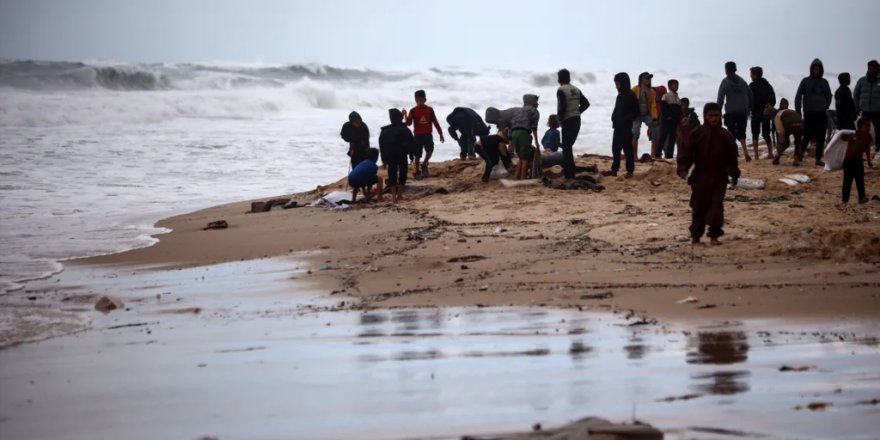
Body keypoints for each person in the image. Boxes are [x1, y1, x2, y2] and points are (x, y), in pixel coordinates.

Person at [677, 103, 741, 246]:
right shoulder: (697, 133)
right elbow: (686, 151)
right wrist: (683, 168)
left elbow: (732, 158)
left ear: (721, 116)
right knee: (698, 208)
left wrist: (734, 173)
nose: (714, 119)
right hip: (700, 177)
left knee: (716, 208)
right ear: (705, 116)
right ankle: (696, 237)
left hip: (720, 178)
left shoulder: (726, 135)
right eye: (710, 116)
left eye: (717, 115)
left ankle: (714, 236)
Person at [794, 59, 833, 166]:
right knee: (807, 135)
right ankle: (800, 154)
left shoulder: (824, 82)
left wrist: (825, 105)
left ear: (821, 70)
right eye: (814, 69)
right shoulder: (805, 81)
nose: (816, 71)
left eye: (818, 69)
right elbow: (798, 96)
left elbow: (829, 96)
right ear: (811, 70)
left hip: (821, 113)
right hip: (809, 113)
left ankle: (818, 159)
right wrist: (798, 112)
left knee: (821, 136)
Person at [556, 69, 591, 178]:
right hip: (577, 120)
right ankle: (570, 169)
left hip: (568, 120)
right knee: (568, 146)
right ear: (569, 78)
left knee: (566, 147)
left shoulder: (561, 90)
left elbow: (562, 106)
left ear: (559, 79)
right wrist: (577, 112)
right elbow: (586, 104)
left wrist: (560, 119)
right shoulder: (576, 89)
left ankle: (569, 173)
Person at [604, 72, 639, 177]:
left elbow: (635, 112)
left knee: (628, 150)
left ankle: (630, 171)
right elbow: (617, 109)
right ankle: (614, 170)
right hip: (617, 127)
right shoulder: (620, 96)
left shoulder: (631, 95)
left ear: (623, 83)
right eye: (616, 84)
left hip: (626, 128)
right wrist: (613, 118)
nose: (616, 86)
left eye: (618, 84)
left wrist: (625, 120)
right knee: (615, 149)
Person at [717, 61, 753, 162]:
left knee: (731, 133)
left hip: (731, 111)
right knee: (742, 131)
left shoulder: (725, 82)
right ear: (735, 69)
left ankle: (734, 152)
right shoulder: (742, 81)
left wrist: (718, 112)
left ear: (726, 70)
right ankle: (743, 152)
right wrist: (750, 108)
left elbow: (720, 98)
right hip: (743, 111)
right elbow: (750, 94)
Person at [404, 90, 445, 179]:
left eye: (421, 100)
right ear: (415, 100)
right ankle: (417, 171)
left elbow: (435, 121)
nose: (419, 102)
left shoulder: (430, 109)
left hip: (428, 134)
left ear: (425, 100)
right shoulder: (413, 110)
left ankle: (424, 164)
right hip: (417, 135)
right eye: (417, 100)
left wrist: (440, 133)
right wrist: (405, 115)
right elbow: (408, 123)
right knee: (417, 155)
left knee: (430, 151)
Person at [379, 108, 415, 203]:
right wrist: (411, 155)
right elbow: (410, 144)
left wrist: (384, 160)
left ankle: (394, 197)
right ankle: (399, 195)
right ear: (400, 118)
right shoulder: (405, 129)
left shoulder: (384, 131)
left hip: (390, 155)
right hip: (401, 154)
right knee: (403, 173)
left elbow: (382, 146)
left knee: (392, 174)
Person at [510, 94, 541, 180]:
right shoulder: (534, 111)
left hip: (514, 133)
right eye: (536, 102)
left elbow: (511, 123)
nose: (537, 104)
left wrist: (510, 140)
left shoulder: (518, 110)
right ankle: (523, 178)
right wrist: (537, 142)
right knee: (525, 158)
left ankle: (516, 177)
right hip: (524, 133)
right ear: (532, 102)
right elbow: (534, 127)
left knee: (521, 157)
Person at [749, 66, 776, 160]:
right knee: (766, 133)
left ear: (755, 75)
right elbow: (773, 100)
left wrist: (750, 108)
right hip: (766, 113)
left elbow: (749, 99)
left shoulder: (752, 86)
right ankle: (770, 154)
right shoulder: (768, 85)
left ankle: (756, 156)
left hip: (756, 112)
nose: (750, 76)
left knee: (755, 133)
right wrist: (768, 106)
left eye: (751, 74)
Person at [853, 60, 880, 150]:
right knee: (863, 132)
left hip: (878, 112)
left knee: (879, 131)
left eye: (872, 68)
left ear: (877, 69)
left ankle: (878, 149)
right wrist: (857, 108)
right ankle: (862, 149)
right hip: (865, 111)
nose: (870, 70)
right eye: (869, 68)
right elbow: (856, 95)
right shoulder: (861, 81)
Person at [631, 72, 658, 159]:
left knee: (655, 129)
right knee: (635, 132)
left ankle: (653, 154)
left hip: (646, 114)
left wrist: (654, 118)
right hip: (636, 115)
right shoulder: (635, 89)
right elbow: (629, 102)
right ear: (641, 79)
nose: (648, 80)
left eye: (649, 78)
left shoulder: (651, 91)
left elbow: (653, 105)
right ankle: (634, 155)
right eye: (646, 78)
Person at [657, 79, 682, 159]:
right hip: (666, 120)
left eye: (677, 85)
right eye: (674, 85)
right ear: (669, 86)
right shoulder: (666, 96)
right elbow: (663, 108)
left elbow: (679, 111)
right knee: (663, 136)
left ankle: (669, 156)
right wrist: (667, 116)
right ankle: (657, 154)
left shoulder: (678, 98)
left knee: (672, 138)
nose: (676, 86)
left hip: (674, 121)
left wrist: (678, 119)